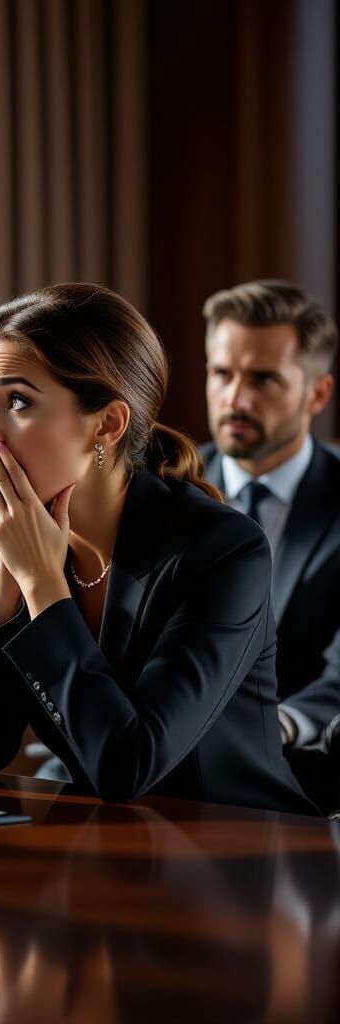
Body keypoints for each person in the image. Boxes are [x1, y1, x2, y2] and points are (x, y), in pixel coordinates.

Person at [0, 283, 316, 815]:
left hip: (239, 853)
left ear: (107, 425)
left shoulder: (222, 549)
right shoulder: (4, 543)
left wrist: (43, 586)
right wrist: (6, 584)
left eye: (17, 401)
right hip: (102, 848)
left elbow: (127, 764)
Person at [199, 280, 340, 811]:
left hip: (295, 776)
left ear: (317, 394)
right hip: (153, 764)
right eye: (222, 374)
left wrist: (272, 726)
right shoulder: (158, 490)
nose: (236, 399)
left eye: (264, 379)